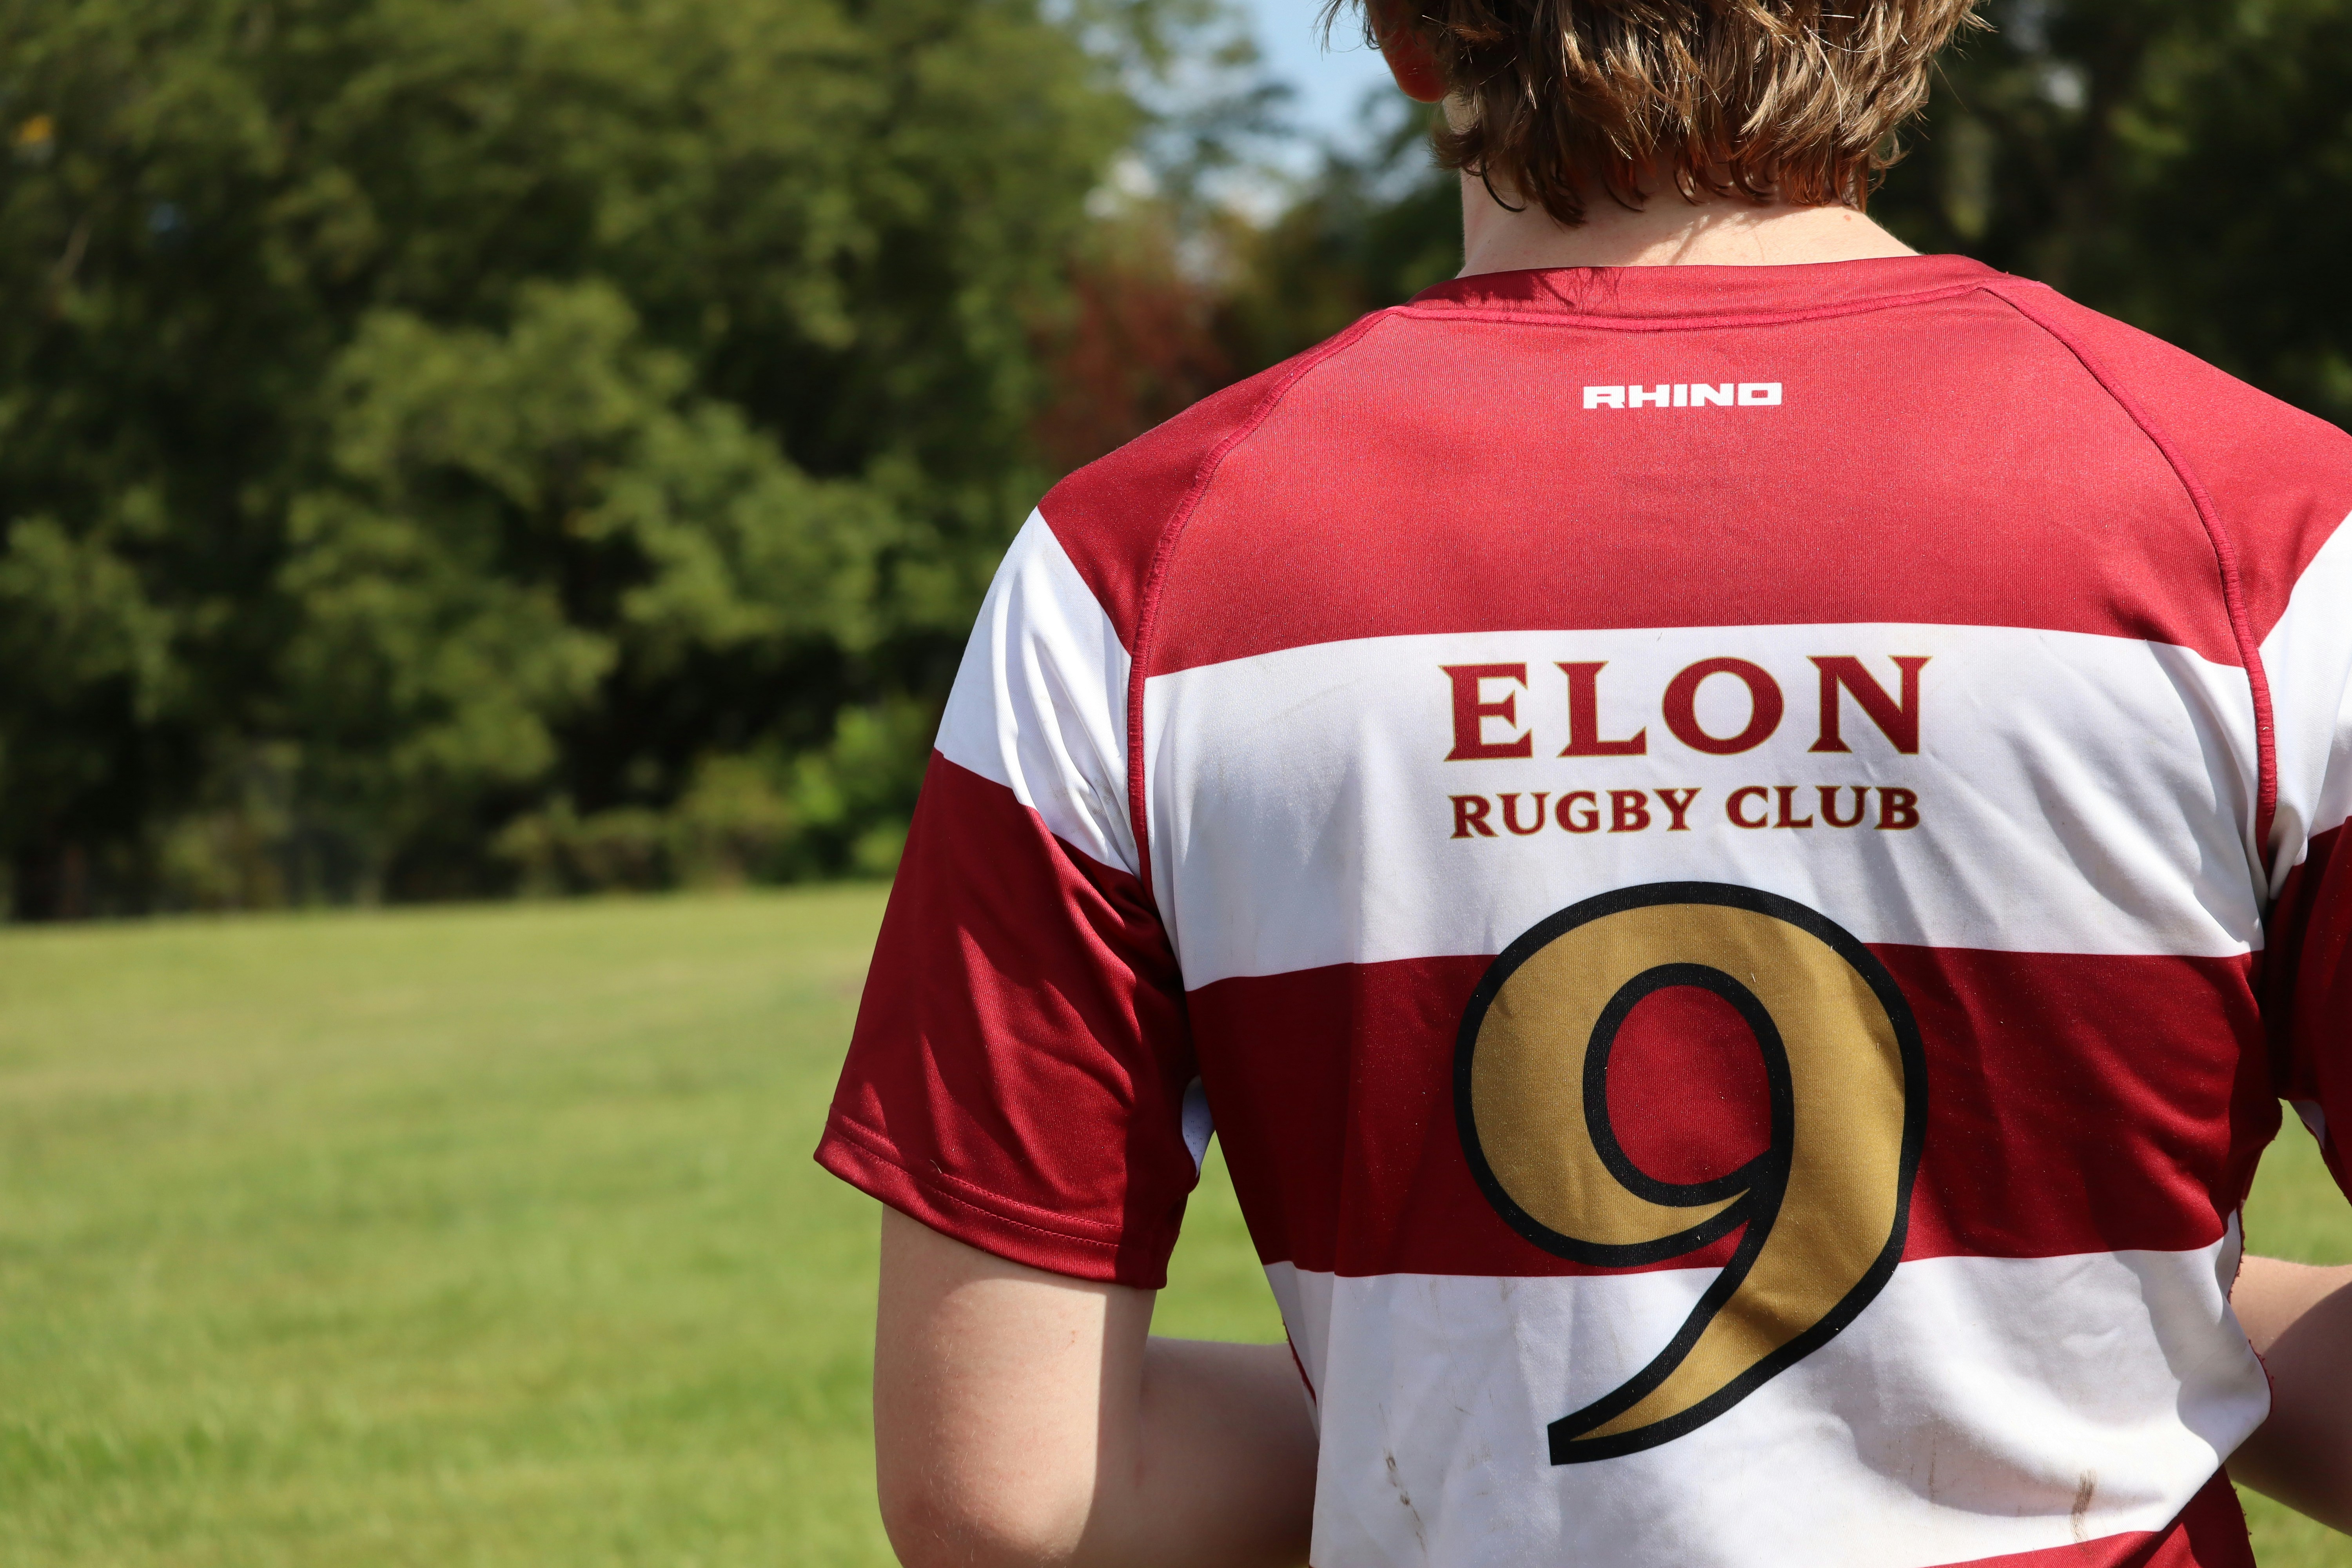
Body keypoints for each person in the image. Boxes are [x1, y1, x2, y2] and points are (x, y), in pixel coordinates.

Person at [814, 0, 2352, 1561]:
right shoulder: (2284, 538)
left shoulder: (1132, 574)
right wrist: (2121, 1327)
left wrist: (1466, 1431)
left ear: (1409, 37)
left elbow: (1001, 1493)